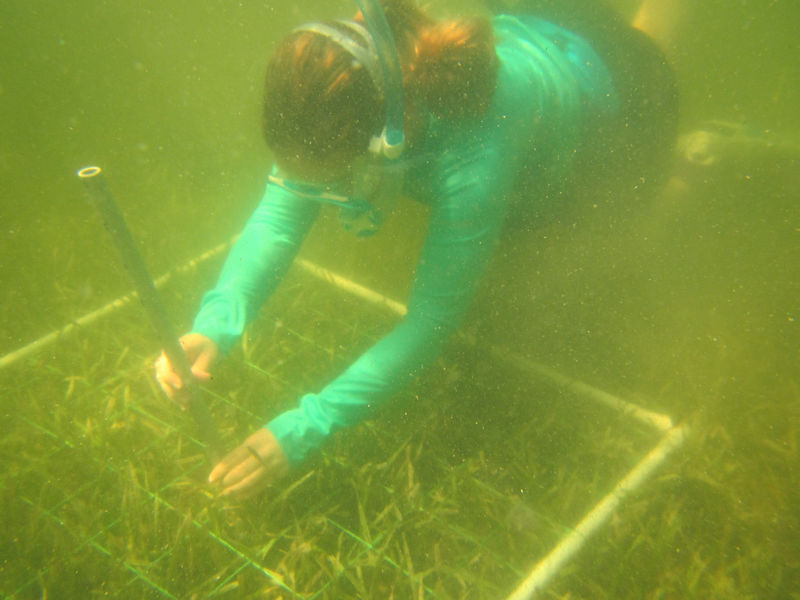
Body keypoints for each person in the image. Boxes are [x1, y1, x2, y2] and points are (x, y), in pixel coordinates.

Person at [156, 0, 679, 497]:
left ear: (388, 141)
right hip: (538, 24)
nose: (318, 193)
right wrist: (214, 324)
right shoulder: (344, 100)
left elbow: (431, 322)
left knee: (649, 61)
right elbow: (280, 212)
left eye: (336, 180)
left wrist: (307, 426)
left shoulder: (475, 152)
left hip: (622, 100)